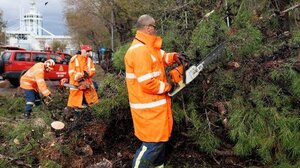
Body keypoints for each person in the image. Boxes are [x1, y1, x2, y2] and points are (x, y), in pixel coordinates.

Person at [124, 14, 183, 168]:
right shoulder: (139, 51)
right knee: (152, 145)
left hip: (156, 107)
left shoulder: (148, 46)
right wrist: (169, 86)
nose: (156, 30)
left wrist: (173, 57)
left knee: (160, 144)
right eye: (155, 27)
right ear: (148, 28)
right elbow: (148, 83)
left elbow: (160, 56)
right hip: (148, 109)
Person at [67, 45, 98, 109]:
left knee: (92, 97)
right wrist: (81, 76)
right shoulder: (74, 59)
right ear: (82, 51)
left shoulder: (89, 60)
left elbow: (93, 70)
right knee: (74, 103)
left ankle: (94, 108)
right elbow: (71, 73)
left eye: (89, 51)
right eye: (87, 51)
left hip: (86, 82)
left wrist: (88, 74)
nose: (88, 53)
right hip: (76, 83)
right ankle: (73, 111)